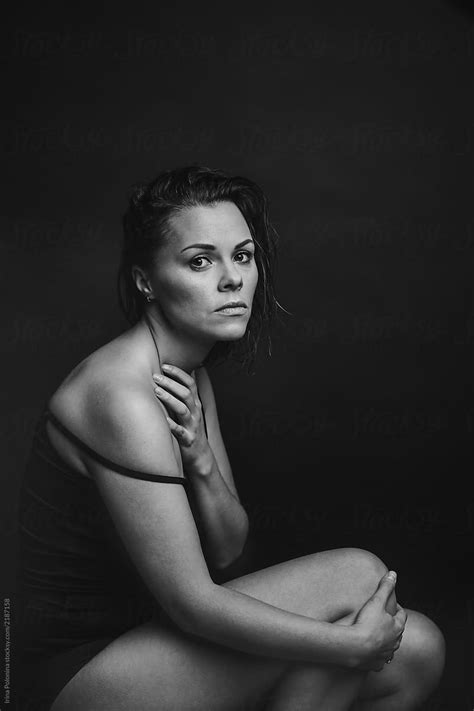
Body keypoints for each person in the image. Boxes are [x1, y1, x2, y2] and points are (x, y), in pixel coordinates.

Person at [16, 165, 445, 711]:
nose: (232, 279)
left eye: (242, 256)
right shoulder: (120, 393)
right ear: (146, 280)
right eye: (200, 261)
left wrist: (200, 463)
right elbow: (192, 604)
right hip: (74, 676)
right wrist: (345, 645)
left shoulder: (189, 372)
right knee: (357, 576)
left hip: (154, 646)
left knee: (420, 649)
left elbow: (229, 553)